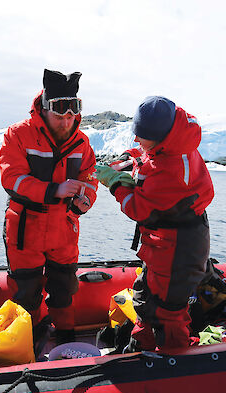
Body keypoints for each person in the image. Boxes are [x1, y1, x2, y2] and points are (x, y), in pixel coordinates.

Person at [94, 96, 214, 353]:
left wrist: (115, 182)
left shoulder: (170, 171)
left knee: (167, 311)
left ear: (160, 137)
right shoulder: (175, 145)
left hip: (178, 249)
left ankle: (173, 360)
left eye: (141, 136)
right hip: (166, 244)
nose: (136, 140)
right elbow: (148, 155)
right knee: (147, 298)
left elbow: (139, 209)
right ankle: (141, 347)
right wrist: (127, 159)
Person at [0, 69, 98, 346]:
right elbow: (11, 178)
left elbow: (89, 179)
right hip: (25, 229)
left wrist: (84, 202)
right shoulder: (17, 134)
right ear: (44, 108)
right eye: (59, 115)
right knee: (26, 293)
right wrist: (54, 190)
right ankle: (26, 348)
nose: (66, 122)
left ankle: (66, 340)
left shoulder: (82, 142)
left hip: (64, 228)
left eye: (71, 115)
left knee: (64, 289)